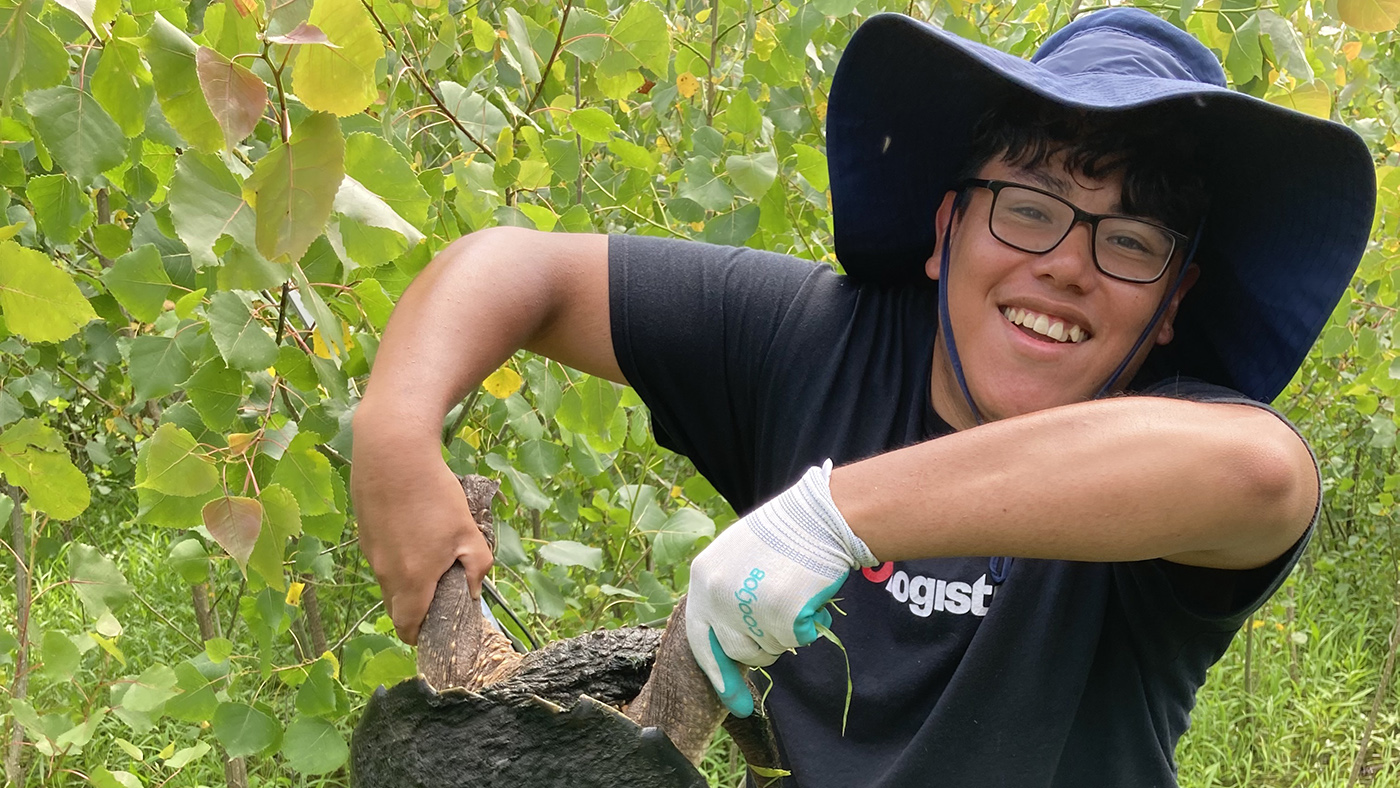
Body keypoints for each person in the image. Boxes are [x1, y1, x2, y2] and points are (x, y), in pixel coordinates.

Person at [350, 8, 1376, 787]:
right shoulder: (812, 338)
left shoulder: (1163, 445)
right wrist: (395, 432)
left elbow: (1257, 471)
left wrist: (826, 517)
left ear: (1168, 305)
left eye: (1129, 241)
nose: (1067, 265)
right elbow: (518, 267)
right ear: (944, 230)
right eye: (1027, 209)